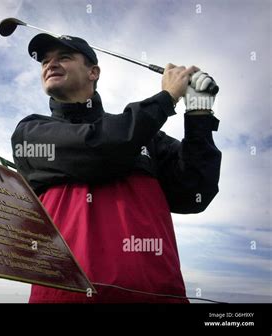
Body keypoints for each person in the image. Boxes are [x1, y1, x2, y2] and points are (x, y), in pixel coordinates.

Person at [11, 33, 221, 303]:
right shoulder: (30, 132)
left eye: (63, 57)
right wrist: (166, 98)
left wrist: (199, 116)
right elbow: (99, 148)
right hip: (64, 297)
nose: (50, 65)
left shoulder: (146, 135)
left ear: (93, 72)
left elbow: (194, 193)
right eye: (45, 61)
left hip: (158, 296)